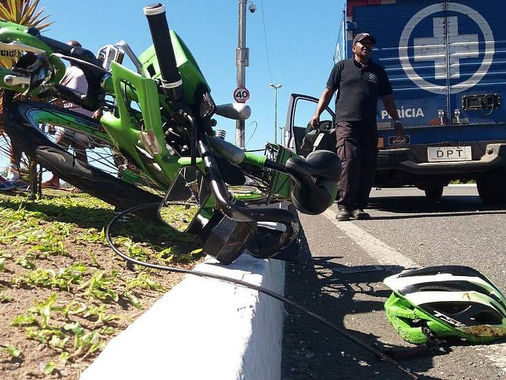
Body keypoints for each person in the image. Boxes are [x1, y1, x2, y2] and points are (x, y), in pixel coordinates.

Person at [310, 32, 404, 221]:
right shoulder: (342, 67)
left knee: (367, 165)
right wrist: (317, 113)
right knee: (349, 161)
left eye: (369, 43)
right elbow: (328, 92)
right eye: (362, 43)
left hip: (369, 125)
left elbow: (387, 99)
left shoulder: (377, 71)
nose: (366, 46)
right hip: (346, 123)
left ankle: (360, 206)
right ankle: (345, 206)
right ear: (354, 48)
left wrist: (397, 120)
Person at [41, 40, 93, 190]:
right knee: (78, 150)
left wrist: (51, 118)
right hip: (78, 116)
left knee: (58, 148)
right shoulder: (87, 70)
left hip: (73, 116)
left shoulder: (69, 71)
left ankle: (59, 180)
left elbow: (59, 95)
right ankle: (82, 183)